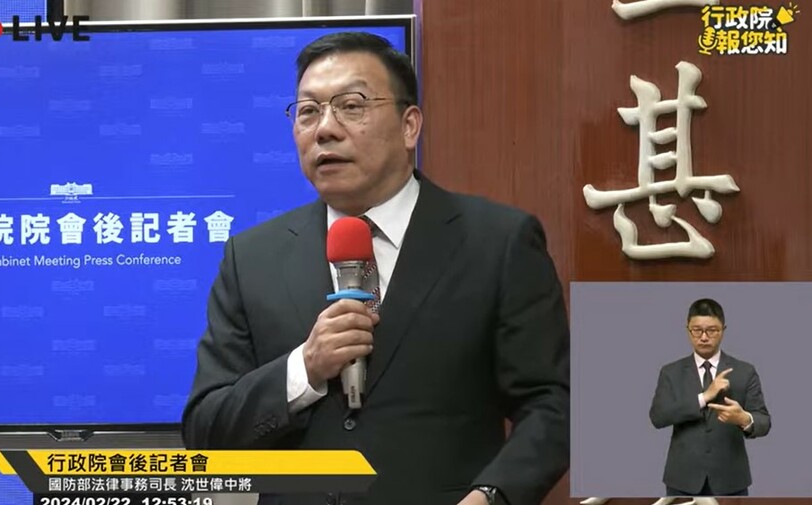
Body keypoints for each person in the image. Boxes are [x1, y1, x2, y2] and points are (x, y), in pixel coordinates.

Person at [181, 31, 569, 505]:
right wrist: (304, 369)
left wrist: (492, 495)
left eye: (351, 106)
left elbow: (554, 404)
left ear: (409, 126)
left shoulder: (498, 242)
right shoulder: (251, 258)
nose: (325, 129)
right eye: (308, 111)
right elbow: (206, 431)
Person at [649, 298, 771, 497]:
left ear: (723, 330)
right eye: (697, 330)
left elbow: (764, 421)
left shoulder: (744, 371)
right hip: (682, 480)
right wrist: (704, 397)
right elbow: (658, 417)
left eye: (712, 330)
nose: (704, 337)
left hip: (731, 481)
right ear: (688, 330)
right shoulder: (670, 372)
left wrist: (744, 419)